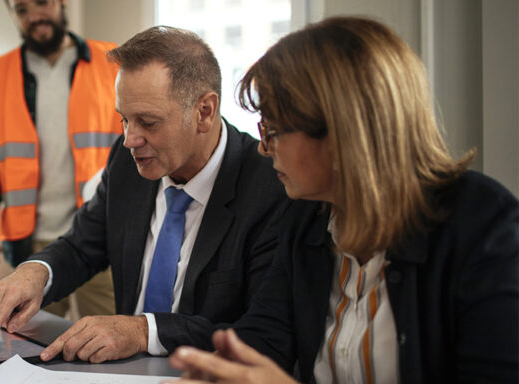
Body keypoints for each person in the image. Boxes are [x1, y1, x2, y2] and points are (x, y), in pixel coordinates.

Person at [168, 16, 519, 383]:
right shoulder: (306, 220)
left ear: (341, 131)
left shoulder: (484, 228)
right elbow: (261, 338)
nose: (263, 147)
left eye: (272, 130)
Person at [0, 26, 289, 364]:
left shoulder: (270, 187)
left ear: (204, 112)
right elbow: (82, 245)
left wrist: (143, 331)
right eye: (124, 120)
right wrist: (37, 272)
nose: (130, 139)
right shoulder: (129, 161)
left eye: (148, 122)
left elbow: (261, 334)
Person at [0, 0, 120, 320]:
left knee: (111, 343)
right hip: (31, 244)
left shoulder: (112, 63)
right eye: (22, 9)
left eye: (41, 3)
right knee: (29, 344)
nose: (34, 16)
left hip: (101, 236)